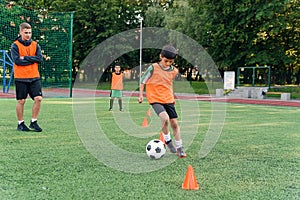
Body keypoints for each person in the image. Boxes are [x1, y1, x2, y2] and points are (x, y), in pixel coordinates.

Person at [138, 45, 186, 158]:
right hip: (155, 99)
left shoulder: (174, 71)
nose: (168, 63)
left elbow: (168, 83)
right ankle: (168, 141)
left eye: (171, 61)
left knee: (174, 123)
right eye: (166, 61)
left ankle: (179, 147)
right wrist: (140, 95)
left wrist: (171, 95)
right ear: (161, 56)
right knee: (164, 118)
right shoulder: (153, 68)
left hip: (168, 99)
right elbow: (142, 81)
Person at [11, 22, 43, 132]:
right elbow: (17, 61)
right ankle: (20, 123)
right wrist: (31, 59)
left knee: (38, 99)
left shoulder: (35, 45)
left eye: (29, 32)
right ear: (20, 32)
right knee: (21, 101)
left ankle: (33, 122)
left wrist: (24, 58)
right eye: (26, 33)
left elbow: (39, 59)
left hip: (35, 77)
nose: (28, 35)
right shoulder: (15, 45)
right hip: (21, 77)